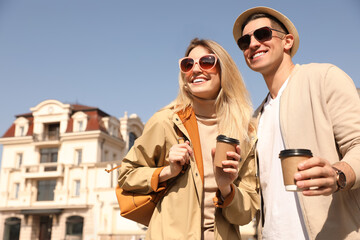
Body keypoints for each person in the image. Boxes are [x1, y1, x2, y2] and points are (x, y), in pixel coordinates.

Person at [232, 6, 360, 240]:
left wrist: (338, 175)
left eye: (262, 34)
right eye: (244, 41)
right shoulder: (255, 118)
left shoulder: (324, 78)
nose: (252, 44)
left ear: (287, 41)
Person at [118, 38, 260, 239]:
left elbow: (245, 214)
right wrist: (168, 171)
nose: (195, 70)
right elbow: (126, 175)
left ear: (224, 70)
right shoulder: (165, 121)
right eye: (187, 64)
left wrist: (226, 187)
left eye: (206, 62)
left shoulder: (245, 133)